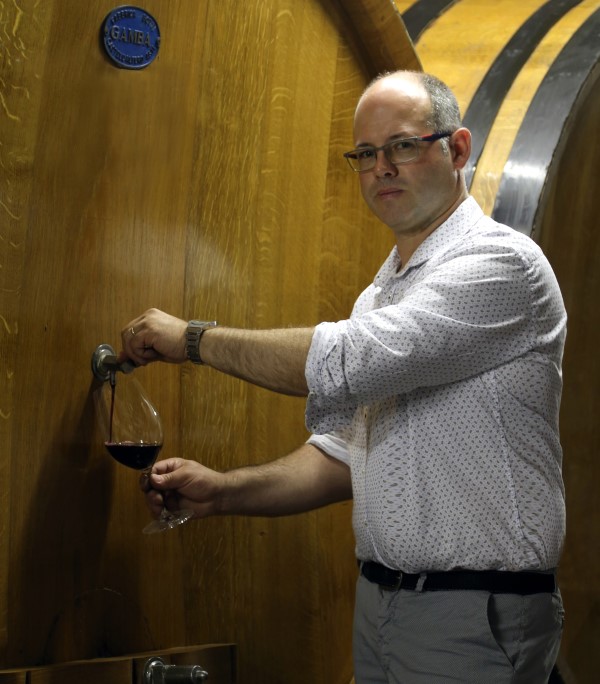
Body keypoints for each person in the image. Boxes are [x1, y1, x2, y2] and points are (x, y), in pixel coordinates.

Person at [119, 70, 566, 683]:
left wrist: (191, 339)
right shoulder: (381, 294)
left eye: (402, 146)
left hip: (470, 613)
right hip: (381, 605)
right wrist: (222, 492)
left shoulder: (501, 264)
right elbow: (343, 454)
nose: (382, 168)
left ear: (457, 149)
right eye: (365, 154)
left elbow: (347, 360)